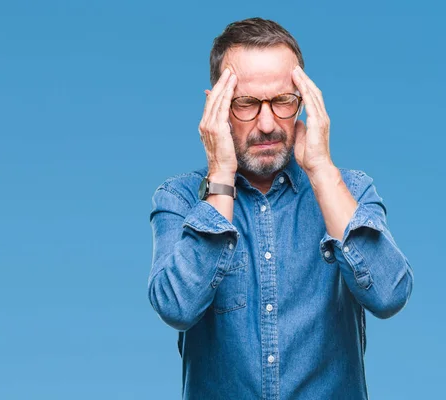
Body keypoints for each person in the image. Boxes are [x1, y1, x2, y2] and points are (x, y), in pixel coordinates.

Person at [147, 17, 414, 400]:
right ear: (217, 109)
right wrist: (221, 174)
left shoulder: (350, 190)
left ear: (304, 103)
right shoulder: (180, 198)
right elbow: (177, 307)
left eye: (283, 102)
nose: (268, 123)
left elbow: (390, 296)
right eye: (247, 104)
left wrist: (322, 171)